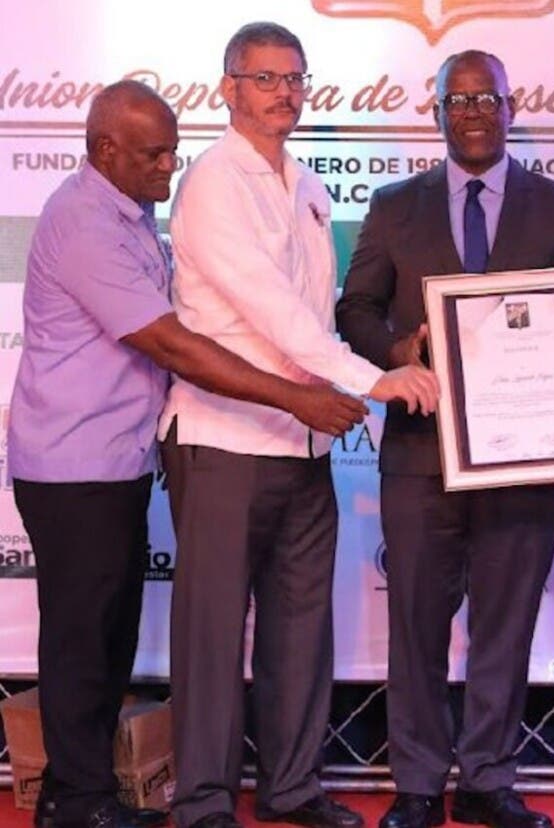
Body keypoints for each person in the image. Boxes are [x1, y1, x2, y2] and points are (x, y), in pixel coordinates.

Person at [8, 80, 373, 828]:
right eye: (154, 154)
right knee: (83, 638)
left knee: (105, 634)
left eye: (173, 150)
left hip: (115, 460)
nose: (170, 166)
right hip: (72, 464)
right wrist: (299, 396)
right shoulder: (85, 221)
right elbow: (173, 343)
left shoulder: (132, 213)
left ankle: (80, 795)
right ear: (104, 149)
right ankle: (76, 801)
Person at [157, 22, 439, 828]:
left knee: (300, 625)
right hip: (225, 437)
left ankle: (290, 786)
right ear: (229, 88)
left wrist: (397, 347)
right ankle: (204, 801)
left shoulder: (307, 181)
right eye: (266, 78)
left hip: (306, 441)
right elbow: (273, 314)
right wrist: (376, 379)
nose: (284, 92)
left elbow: (319, 313)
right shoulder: (213, 182)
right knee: (212, 633)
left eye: (294, 78)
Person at [337, 49, 554, 828]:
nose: (475, 113)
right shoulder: (392, 205)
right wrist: (397, 353)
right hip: (421, 452)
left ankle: (487, 777)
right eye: (460, 100)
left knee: (505, 624)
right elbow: (354, 310)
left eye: (489, 99)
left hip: (525, 453)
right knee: (416, 621)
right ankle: (417, 783)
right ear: (438, 113)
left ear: (512, 110)